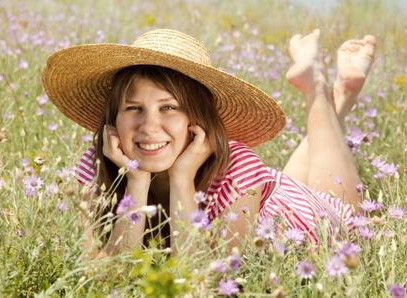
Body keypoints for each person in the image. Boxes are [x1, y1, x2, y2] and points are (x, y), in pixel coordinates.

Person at [42, 28, 376, 258]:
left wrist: (183, 179)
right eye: (133, 108)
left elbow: (203, 277)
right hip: (273, 191)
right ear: (113, 119)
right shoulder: (97, 163)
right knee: (289, 177)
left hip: (308, 220)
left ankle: (317, 87)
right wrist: (136, 179)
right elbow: (106, 277)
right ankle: (342, 94)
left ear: (196, 120)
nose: (149, 126)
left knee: (340, 204)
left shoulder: (237, 168)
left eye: (169, 107)